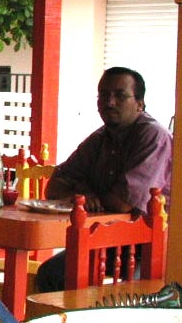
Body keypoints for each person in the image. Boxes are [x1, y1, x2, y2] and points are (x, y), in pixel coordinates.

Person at [35, 66, 172, 292]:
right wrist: (83, 191)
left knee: (114, 296)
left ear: (140, 104)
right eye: (104, 95)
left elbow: (122, 202)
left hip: (143, 249)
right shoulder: (99, 138)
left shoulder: (153, 135)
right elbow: (54, 187)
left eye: (120, 95)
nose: (109, 102)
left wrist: (82, 191)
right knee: (51, 274)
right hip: (102, 241)